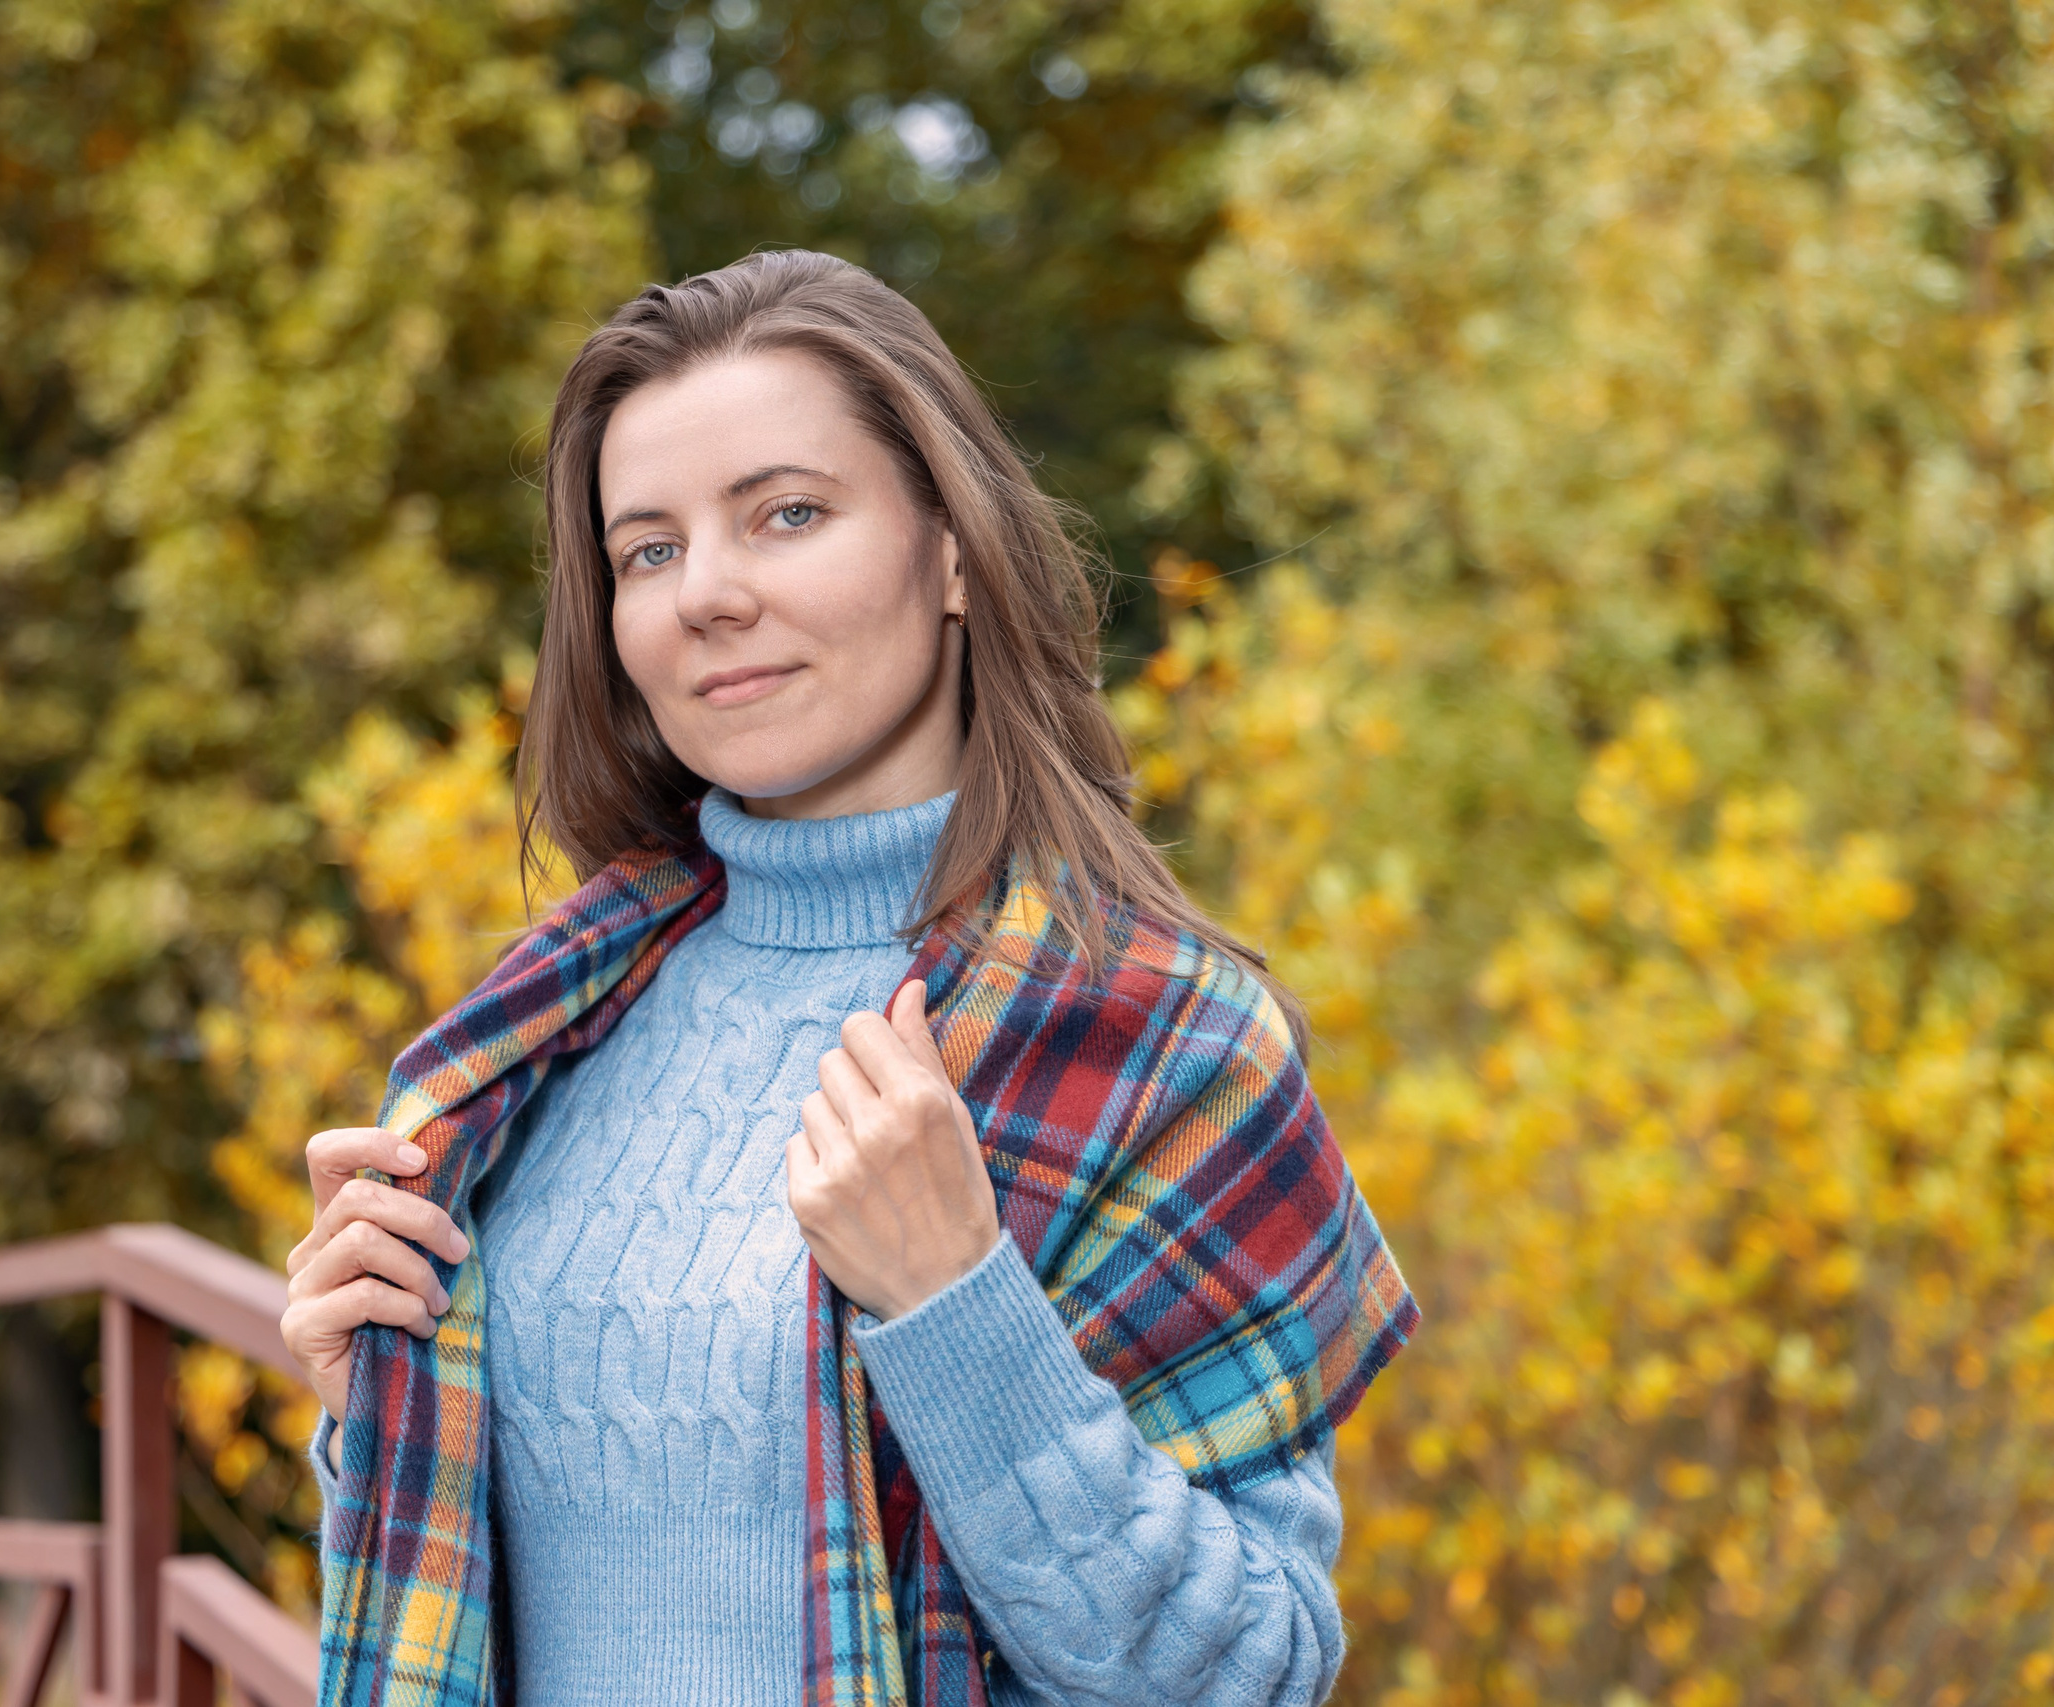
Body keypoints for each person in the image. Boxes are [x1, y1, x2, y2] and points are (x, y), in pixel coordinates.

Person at [279, 250, 1417, 1707]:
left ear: (951, 551)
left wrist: (957, 1303)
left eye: (788, 515)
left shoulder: (1162, 1041)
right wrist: (372, 1411)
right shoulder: (533, 1038)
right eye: (649, 551)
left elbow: (1250, 1673)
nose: (708, 596)